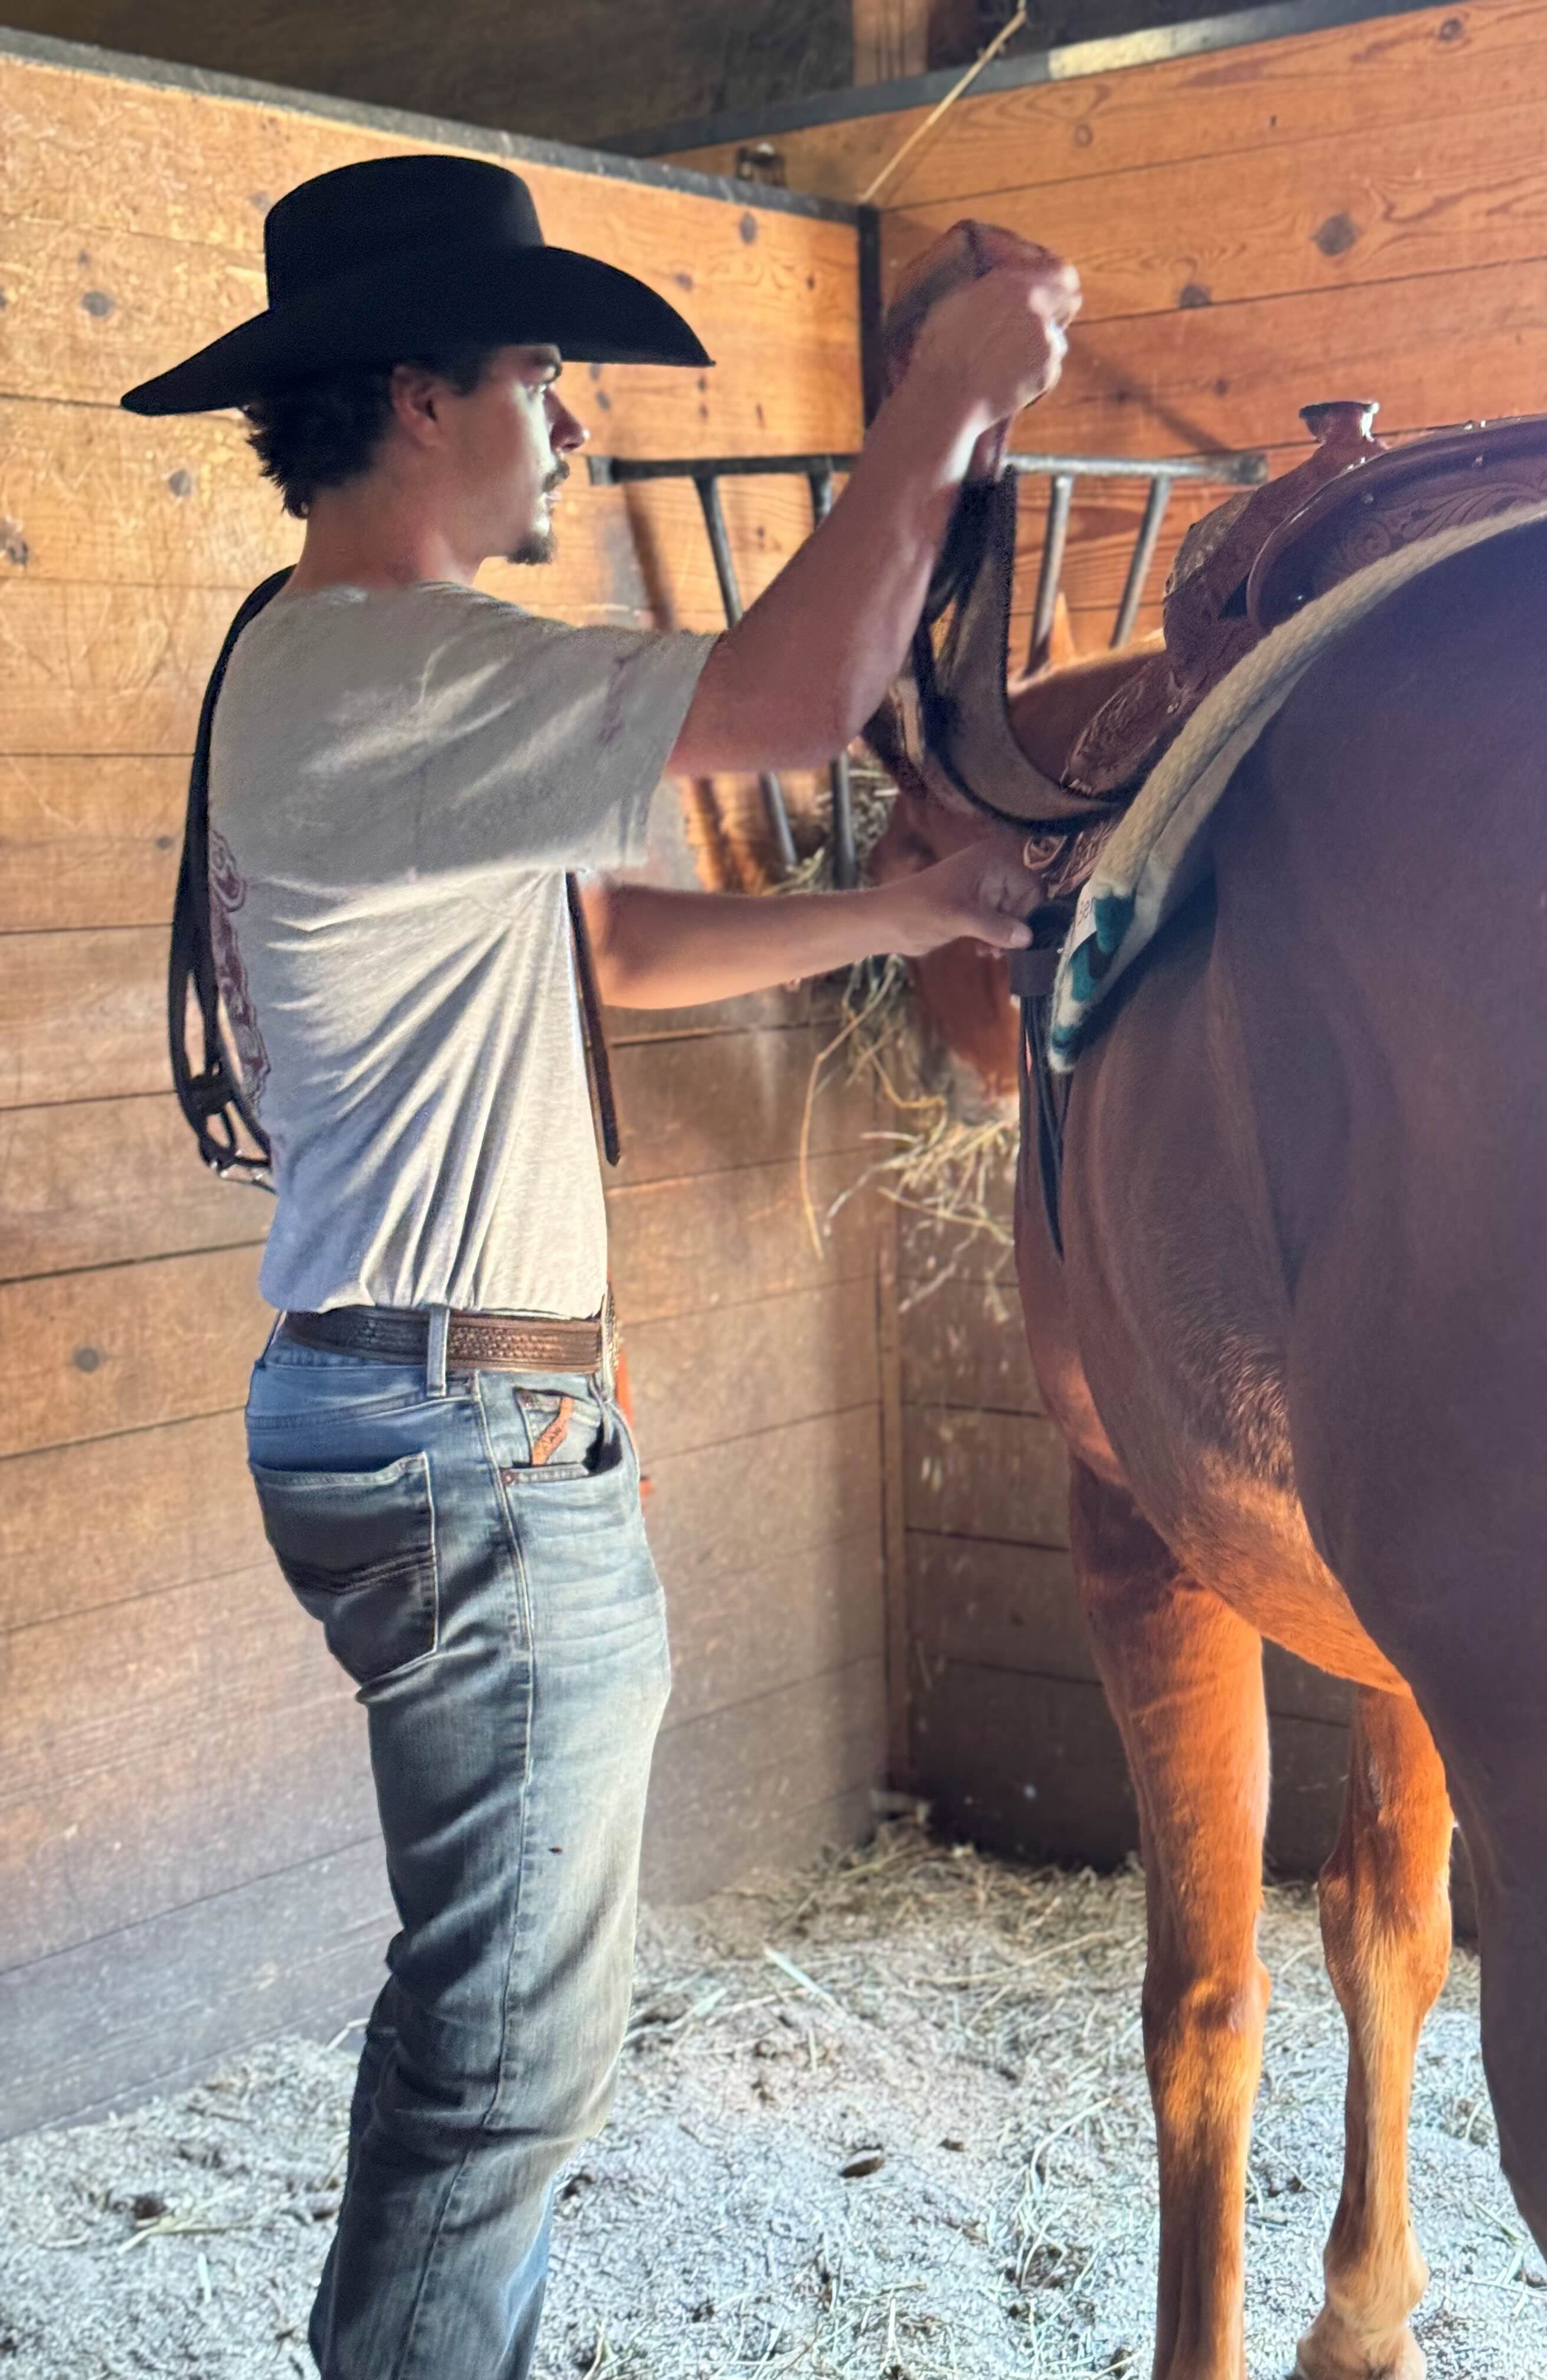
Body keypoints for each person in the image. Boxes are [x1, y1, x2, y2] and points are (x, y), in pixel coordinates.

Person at [120, 152, 1078, 2380]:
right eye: (544, 374)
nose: (573, 420)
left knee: (491, 2023)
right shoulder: (390, 666)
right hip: (463, 1424)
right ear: (419, 399)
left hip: (432, 1400)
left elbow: (613, 947)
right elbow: (794, 698)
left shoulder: (337, 668)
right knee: (506, 2064)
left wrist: (906, 914)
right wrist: (941, 401)